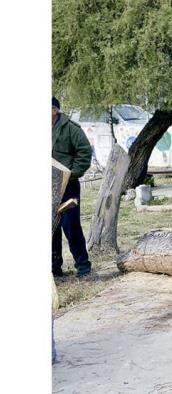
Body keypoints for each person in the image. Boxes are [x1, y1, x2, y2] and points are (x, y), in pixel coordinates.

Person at [52, 96, 93, 277]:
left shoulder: (71, 129)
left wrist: (70, 175)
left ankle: (83, 267)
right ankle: (54, 268)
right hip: (46, 188)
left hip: (68, 187)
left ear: (54, 110)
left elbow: (85, 153)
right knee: (50, 229)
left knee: (71, 226)